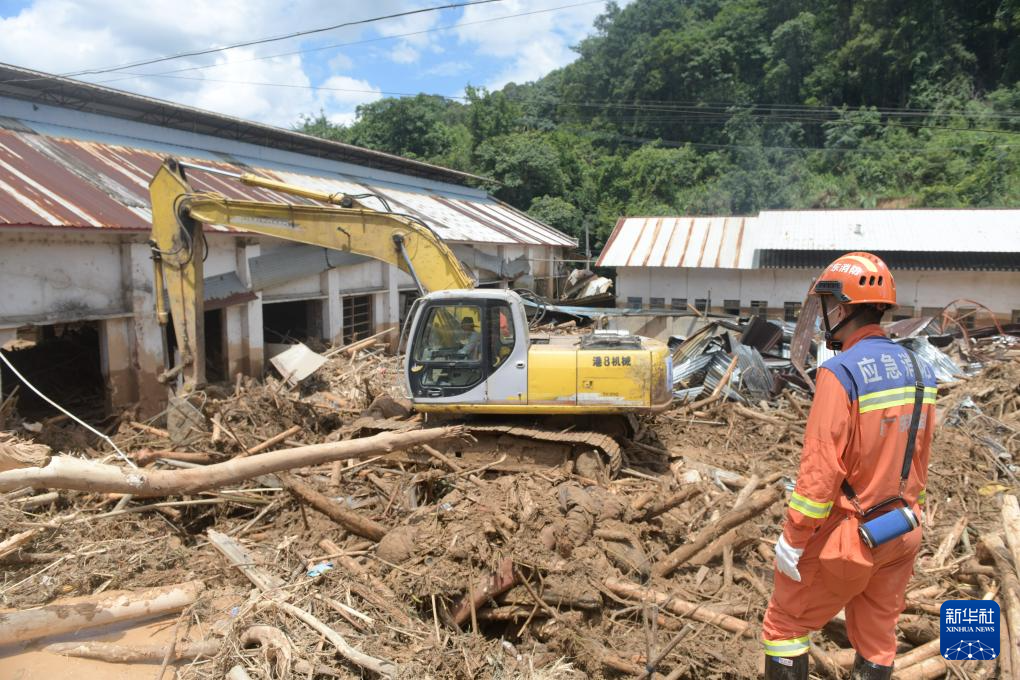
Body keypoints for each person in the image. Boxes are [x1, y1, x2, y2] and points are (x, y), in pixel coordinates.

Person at [762, 253, 936, 679]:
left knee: (784, 626)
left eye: (827, 307)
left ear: (841, 308)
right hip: (903, 529)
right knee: (878, 636)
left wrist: (794, 536)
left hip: (850, 539)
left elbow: (820, 470)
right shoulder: (921, 370)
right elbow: (921, 456)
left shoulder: (839, 373)